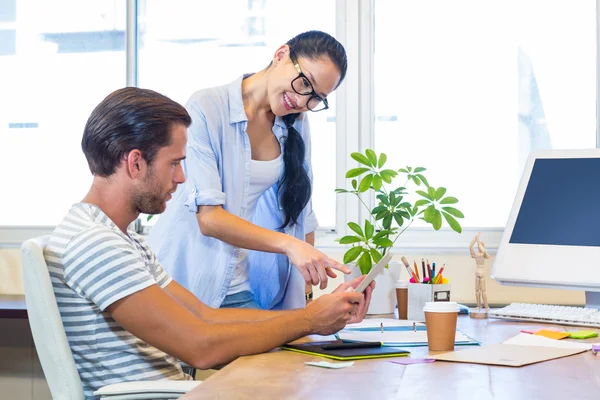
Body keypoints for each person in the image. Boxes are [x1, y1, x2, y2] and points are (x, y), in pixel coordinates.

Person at [45, 87, 374, 399]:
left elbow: (205, 316)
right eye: (174, 163)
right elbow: (200, 347)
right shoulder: (96, 244)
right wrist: (309, 321)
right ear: (135, 163)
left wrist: (320, 315)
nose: (182, 178)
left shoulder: (122, 238)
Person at [147, 30, 350, 310]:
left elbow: (303, 214)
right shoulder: (207, 107)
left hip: (240, 283)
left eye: (317, 98)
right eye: (305, 83)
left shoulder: (295, 122)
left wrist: (307, 301)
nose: (304, 101)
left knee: (286, 351)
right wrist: (290, 246)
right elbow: (209, 218)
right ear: (281, 55)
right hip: (186, 280)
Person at [469, 232, 490, 311]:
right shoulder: (476, 255)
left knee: (483, 291)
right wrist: (475, 239)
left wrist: (478, 242)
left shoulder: (484, 254)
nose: (478, 247)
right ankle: (478, 305)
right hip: (477, 273)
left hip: (482, 273)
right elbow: (470, 247)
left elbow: (484, 251)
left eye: (480, 246)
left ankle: (486, 306)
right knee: (477, 291)